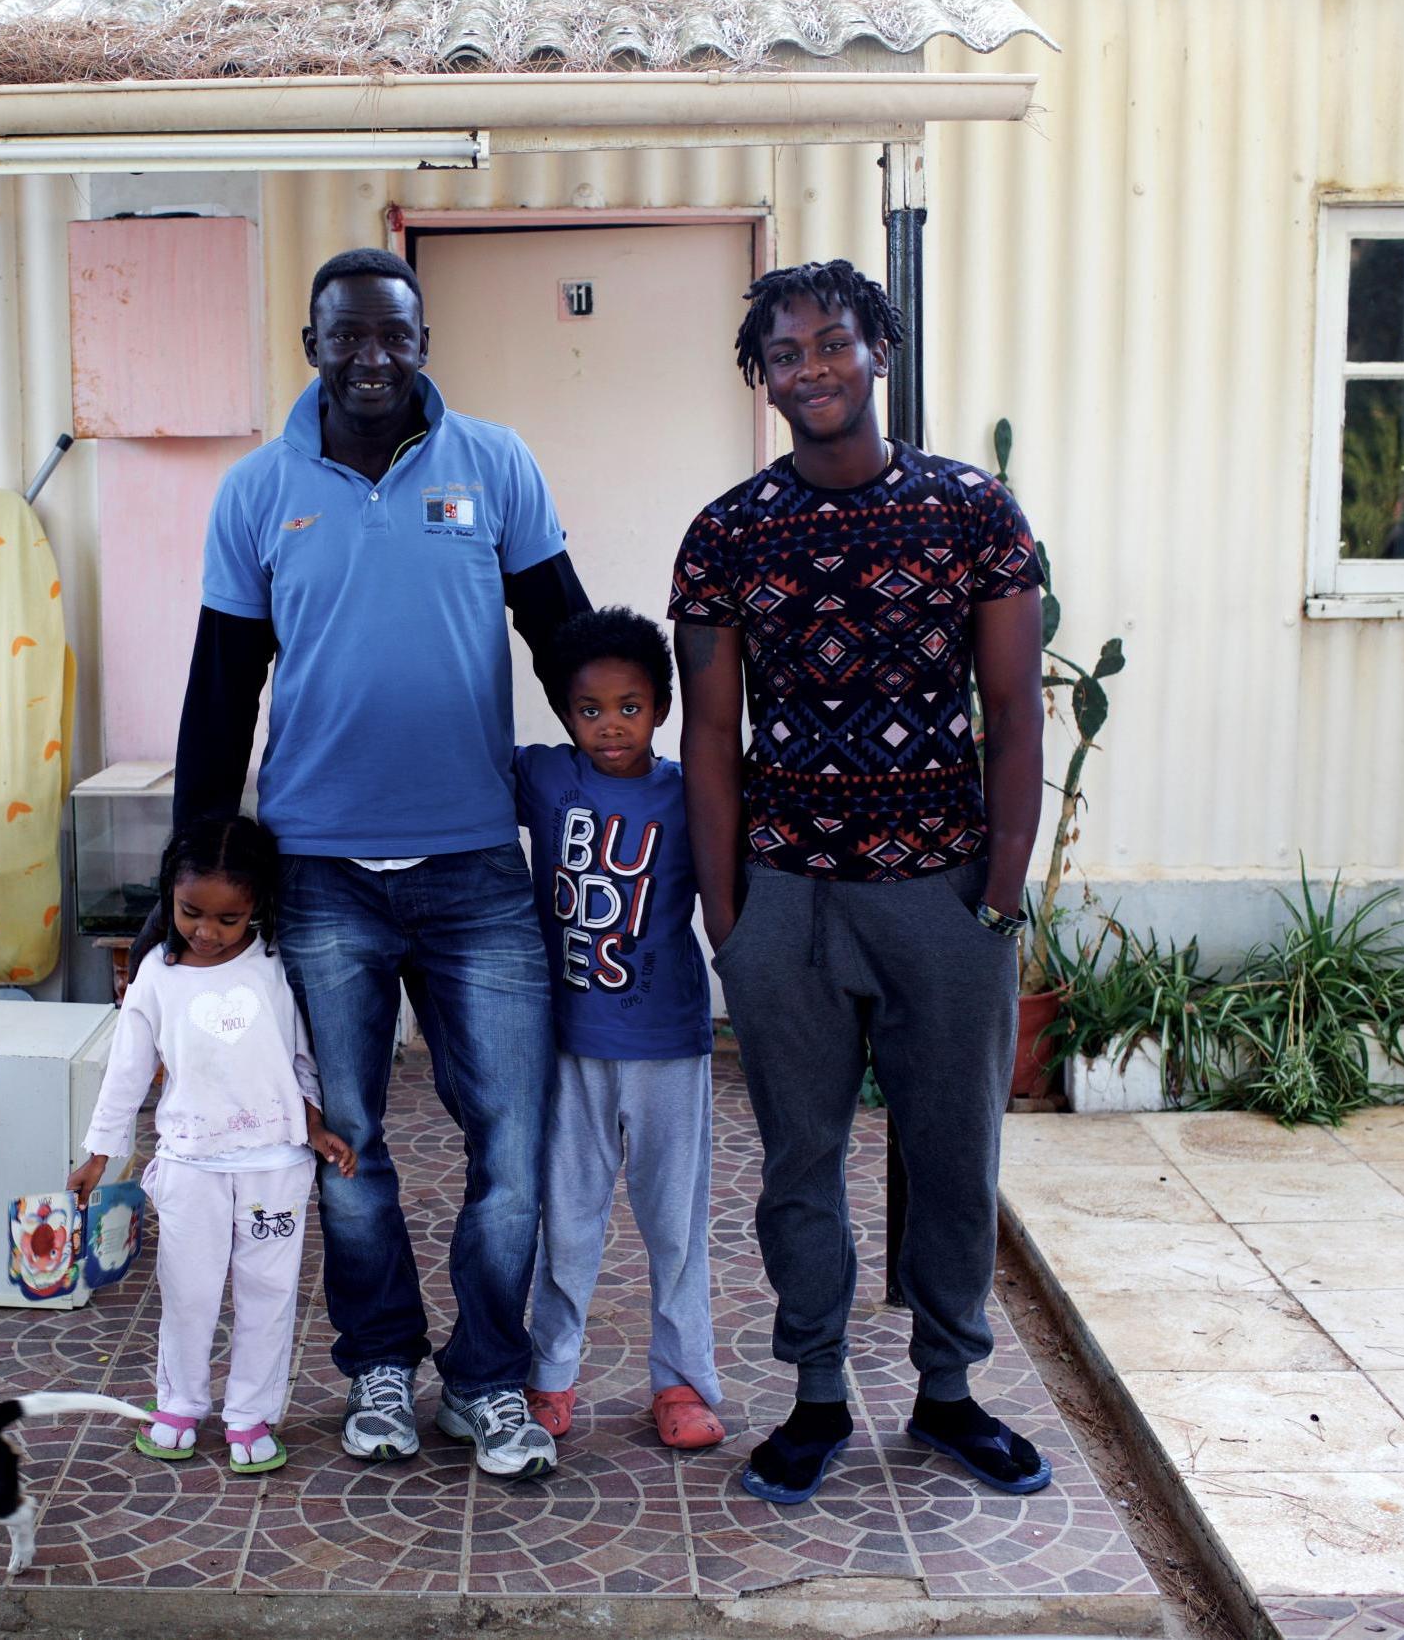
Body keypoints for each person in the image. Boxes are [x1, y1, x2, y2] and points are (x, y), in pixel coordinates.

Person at [168, 248, 591, 1481]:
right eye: (347, 335)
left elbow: (565, 637)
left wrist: (625, 788)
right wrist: (195, 874)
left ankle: (486, 1380)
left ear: (422, 340)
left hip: (475, 868)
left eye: (393, 334)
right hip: (322, 875)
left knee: (509, 1139)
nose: (372, 356)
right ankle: (382, 1371)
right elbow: (221, 687)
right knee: (346, 1142)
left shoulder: (495, 464)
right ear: (312, 343)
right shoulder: (257, 491)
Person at [670, 260, 1052, 1504]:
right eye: (784, 353)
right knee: (799, 1160)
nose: (811, 367)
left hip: (941, 896)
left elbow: (1010, 708)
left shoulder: (971, 513)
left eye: (832, 342)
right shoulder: (727, 534)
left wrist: (999, 889)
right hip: (789, 898)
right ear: (762, 379)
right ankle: (817, 1392)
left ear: (876, 350)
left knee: (952, 1150)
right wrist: (730, 915)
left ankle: (948, 1393)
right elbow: (710, 738)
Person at [68, 817, 357, 1478]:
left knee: (267, 1293)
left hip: (275, 1166)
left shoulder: (277, 970)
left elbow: (301, 1058)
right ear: (169, 896)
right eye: (191, 912)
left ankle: (250, 1415)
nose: (208, 930)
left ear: (256, 907)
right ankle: (179, 1404)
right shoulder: (155, 979)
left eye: (229, 919)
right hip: (189, 1165)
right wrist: (98, 1155)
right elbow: (127, 1072)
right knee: (188, 1292)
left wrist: (312, 1127)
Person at [514, 607, 725, 1452]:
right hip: (569, 1047)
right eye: (590, 708)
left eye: (629, 706)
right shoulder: (544, 779)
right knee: (564, 1223)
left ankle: (681, 1383)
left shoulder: (690, 792)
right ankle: (549, 1377)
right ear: (566, 714)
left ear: (661, 708)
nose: (609, 725)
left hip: (670, 1046)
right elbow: (450, 762)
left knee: (674, 1227)